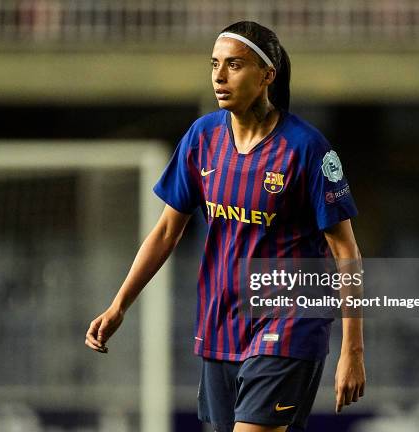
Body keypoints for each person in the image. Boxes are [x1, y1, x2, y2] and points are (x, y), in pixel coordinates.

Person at [85, 21, 365, 432]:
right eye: (214, 64)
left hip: (289, 322)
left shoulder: (307, 149)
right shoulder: (202, 138)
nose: (219, 76)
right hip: (221, 323)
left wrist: (352, 351)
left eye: (234, 65)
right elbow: (166, 231)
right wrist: (119, 304)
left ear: (267, 75)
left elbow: (346, 251)